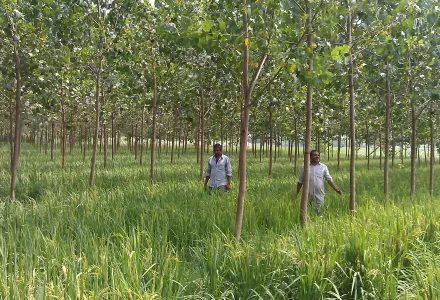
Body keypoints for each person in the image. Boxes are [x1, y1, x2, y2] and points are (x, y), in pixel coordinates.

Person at [296, 150, 342, 215]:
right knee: (307, 212)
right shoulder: (305, 167)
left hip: (319, 194)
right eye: (315, 155)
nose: (317, 156)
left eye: (318, 155)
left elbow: (329, 179)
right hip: (307, 194)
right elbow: (300, 181)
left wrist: (336, 189)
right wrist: (297, 192)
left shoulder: (323, 167)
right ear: (310, 157)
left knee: (319, 212)